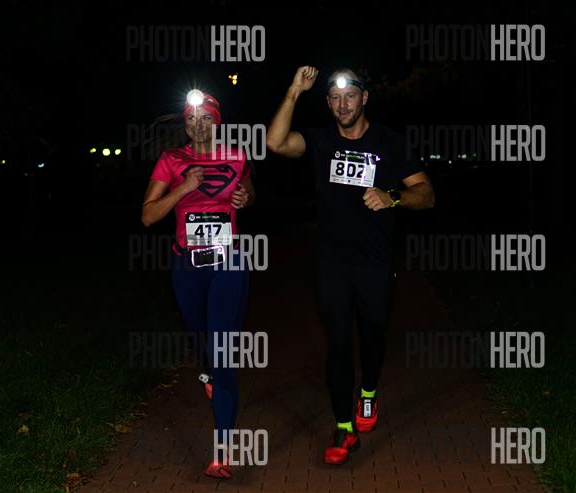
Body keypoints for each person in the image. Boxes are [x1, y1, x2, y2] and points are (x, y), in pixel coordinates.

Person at [266, 66, 435, 465]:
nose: (343, 105)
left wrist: (392, 197)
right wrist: (294, 90)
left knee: (373, 336)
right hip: (333, 265)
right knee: (339, 343)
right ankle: (343, 428)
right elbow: (275, 142)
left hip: (375, 263)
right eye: (335, 98)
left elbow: (426, 194)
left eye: (351, 96)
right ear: (328, 103)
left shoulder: (390, 142)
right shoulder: (320, 141)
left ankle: (368, 393)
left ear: (365, 99)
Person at [141, 89, 255, 478]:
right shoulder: (171, 160)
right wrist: (184, 188)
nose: (198, 125)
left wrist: (243, 198)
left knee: (222, 352)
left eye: (206, 117)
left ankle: (222, 451)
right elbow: (147, 216)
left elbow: (250, 193)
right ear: (185, 124)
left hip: (228, 263)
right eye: (191, 118)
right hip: (187, 266)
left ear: (217, 122)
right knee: (201, 339)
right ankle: (207, 367)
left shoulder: (237, 156)